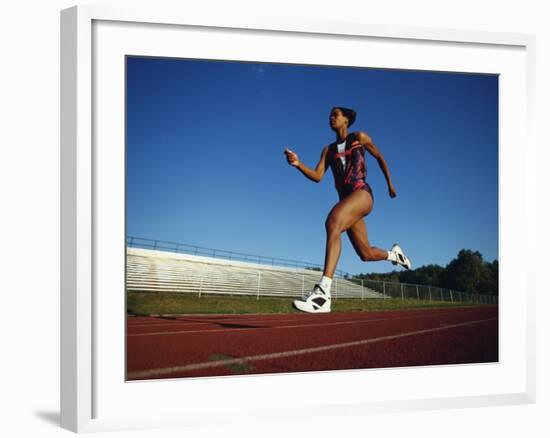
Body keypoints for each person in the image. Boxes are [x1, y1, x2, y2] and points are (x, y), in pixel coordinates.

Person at [284, 106, 411, 313]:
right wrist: (298, 164)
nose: (331, 118)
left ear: (346, 120)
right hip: (347, 202)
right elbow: (317, 176)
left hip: (362, 194)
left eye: (335, 115)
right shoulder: (328, 150)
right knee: (366, 253)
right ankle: (394, 255)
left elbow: (379, 157)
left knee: (332, 221)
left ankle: (323, 293)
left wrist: (390, 184)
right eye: (329, 116)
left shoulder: (359, 137)